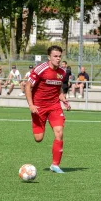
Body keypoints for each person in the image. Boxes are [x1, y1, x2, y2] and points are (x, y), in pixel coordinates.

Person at [25, 45, 71, 173]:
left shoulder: (62, 72)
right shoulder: (41, 69)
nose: (58, 59)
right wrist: (31, 105)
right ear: (49, 57)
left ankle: (55, 164)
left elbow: (58, 89)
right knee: (38, 138)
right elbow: (28, 86)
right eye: (55, 56)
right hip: (38, 107)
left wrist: (63, 99)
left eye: (59, 56)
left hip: (54, 107)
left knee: (59, 132)